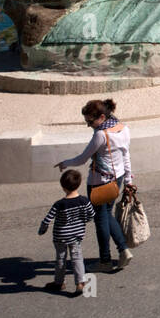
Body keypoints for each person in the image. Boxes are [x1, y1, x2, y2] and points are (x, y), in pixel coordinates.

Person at [58, 99, 133, 272]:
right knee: (107, 213)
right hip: (118, 179)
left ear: (101, 116)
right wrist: (129, 180)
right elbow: (126, 155)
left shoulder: (101, 134)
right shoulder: (123, 128)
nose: (88, 125)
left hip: (99, 183)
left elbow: (83, 158)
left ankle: (105, 260)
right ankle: (123, 250)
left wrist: (65, 163)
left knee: (100, 218)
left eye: (90, 121)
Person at [38, 169, 95, 295]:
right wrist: (82, 220)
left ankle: (59, 282)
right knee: (77, 258)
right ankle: (80, 283)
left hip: (60, 237)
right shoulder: (84, 201)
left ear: (63, 187)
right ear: (79, 184)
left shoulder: (59, 204)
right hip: (76, 236)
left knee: (60, 259)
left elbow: (47, 219)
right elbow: (91, 215)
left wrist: (42, 230)